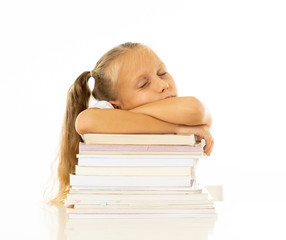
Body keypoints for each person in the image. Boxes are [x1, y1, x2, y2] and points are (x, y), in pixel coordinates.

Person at [51, 42, 214, 204]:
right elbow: (85, 121)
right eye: (143, 84)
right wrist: (178, 128)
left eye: (162, 73)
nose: (163, 85)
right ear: (114, 104)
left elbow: (195, 109)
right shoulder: (103, 111)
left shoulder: (164, 107)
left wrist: (122, 115)